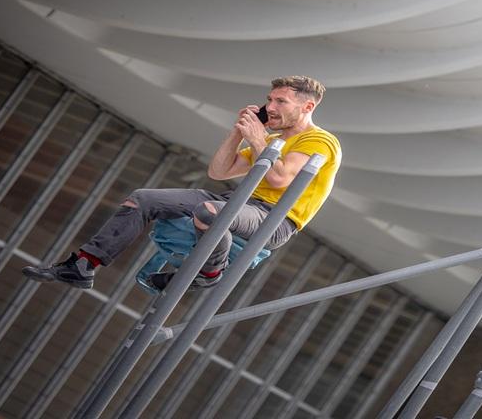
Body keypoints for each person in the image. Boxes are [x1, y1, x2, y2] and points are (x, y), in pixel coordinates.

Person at [23, 76, 342, 290]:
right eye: (270, 99)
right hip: (237, 199)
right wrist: (238, 132)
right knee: (143, 198)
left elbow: (280, 177)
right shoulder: (270, 138)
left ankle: (209, 273)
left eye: (281, 102)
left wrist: (259, 140)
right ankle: (83, 264)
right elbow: (219, 171)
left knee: (210, 213)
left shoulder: (319, 141)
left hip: (274, 219)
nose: (270, 107)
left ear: (307, 107)